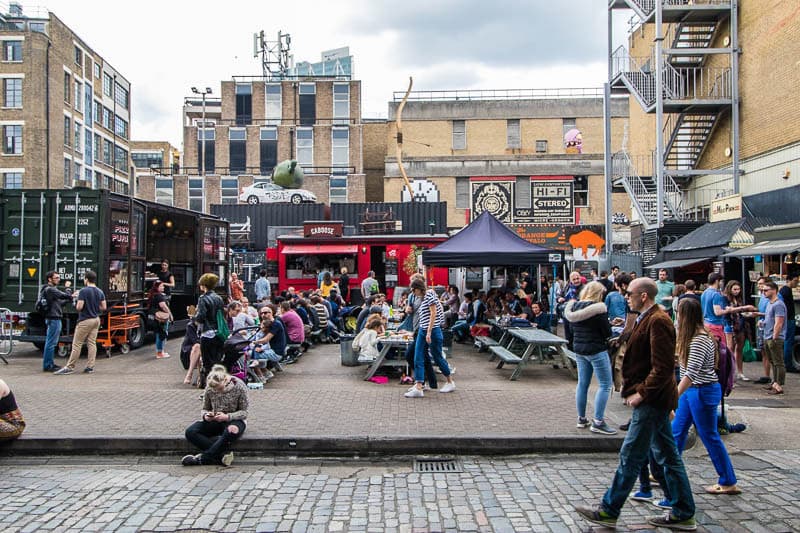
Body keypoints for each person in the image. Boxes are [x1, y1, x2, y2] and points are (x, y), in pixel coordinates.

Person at [574, 277, 696, 531]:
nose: (625, 296)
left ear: (643, 296)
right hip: (655, 399)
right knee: (668, 455)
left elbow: (662, 366)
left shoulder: (659, 321)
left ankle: (610, 509)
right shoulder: (646, 318)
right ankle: (683, 511)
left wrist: (641, 392)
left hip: (653, 400)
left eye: (629, 293)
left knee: (631, 454)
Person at [672, 298, 742, 496]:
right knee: (676, 431)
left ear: (684, 315)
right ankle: (665, 471)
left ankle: (728, 480)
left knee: (709, 436)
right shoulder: (693, 336)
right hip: (693, 390)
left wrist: (673, 396)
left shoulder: (700, 338)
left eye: (678, 313)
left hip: (701, 390)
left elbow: (690, 373)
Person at [564, 282, 616, 435]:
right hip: (596, 349)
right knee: (605, 384)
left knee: (582, 384)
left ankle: (581, 418)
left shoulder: (573, 308)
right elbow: (607, 332)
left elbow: (571, 330)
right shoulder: (599, 310)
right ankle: (598, 421)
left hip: (579, 349)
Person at [183, 364, 248, 467]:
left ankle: (203, 459)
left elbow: (244, 412)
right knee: (190, 432)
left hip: (234, 419)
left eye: (220, 388)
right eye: (215, 389)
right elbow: (205, 408)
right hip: (216, 419)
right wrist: (206, 416)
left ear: (226, 381)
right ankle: (221, 456)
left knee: (231, 430)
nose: (217, 391)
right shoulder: (210, 388)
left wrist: (227, 417)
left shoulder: (239, 387)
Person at [405, 278, 456, 398]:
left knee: (437, 357)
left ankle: (450, 381)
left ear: (418, 288)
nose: (413, 293)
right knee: (418, 357)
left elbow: (433, 313)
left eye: (414, 290)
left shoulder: (429, 295)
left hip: (431, 331)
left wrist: (428, 332)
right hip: (423, 330)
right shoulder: (423, 297)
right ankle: (419, 385)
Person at [55, 271, 106, 375]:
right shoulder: (100, 291)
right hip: (96, 319)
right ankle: (90, 367)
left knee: (77, 344)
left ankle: (69, 367)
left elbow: (79, 307)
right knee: (92, 343)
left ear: (86, 279)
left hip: (85, 320)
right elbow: (103, 307)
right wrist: (95, 308)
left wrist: (78, 300)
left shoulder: (83, 291)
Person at [195, 273, 226, 386]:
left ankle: (210, 387)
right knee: (217, 360)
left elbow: (201, 316)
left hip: (207, 333)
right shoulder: (218, 298)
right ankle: (220, 385)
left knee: (207, 363)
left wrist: (194, 317)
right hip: (218, 333)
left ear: (204, 285)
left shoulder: (203, 298)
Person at [40, 271, 73, 373]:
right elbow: (64, 295)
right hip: (54, 318)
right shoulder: (51, 289)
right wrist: (68, 289)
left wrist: (69, 298)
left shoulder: (48, 290)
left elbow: (59, 303)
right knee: (51, 343)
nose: (59, 279)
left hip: (52, 317)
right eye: (56, 278)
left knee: (50, 342)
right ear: (50, 279)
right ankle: (48, 365)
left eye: (59, 277)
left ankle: (49, 363)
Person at [763, 281, 788, 395]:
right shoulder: (770, 303)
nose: (763, 292)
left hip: (775, 337)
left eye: (766, 290)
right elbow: (769, 318)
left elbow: (779, 323)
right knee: (773, 361)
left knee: (778, 362)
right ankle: (774, 382)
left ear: (774, 290)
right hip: (767, 335)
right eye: (763, 290)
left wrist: (775, 337)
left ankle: (779, 385)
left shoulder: (779, 304)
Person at [722, 280, 749, 381]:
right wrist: (743, 308)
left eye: (738, 289)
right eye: (735, 289)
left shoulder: (739, 298)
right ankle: (730, 373)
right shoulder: (724, 298)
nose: (737, 291)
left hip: (740, 324)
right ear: (730, 289)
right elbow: (727, 310)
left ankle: (740, 372)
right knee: (730, 349)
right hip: (729, 324)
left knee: (740, 348)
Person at [147, 280, 173, 360]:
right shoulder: (159, 296)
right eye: (161, 286)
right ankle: (160, 352)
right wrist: (170, 314)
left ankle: (161, 351)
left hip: (154, 317)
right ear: (157, 287)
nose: (163, 287)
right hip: (161, 318)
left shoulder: (152, 295)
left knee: (159, 333)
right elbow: (163, 306)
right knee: (162, 334)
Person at [701, 273, 728, 346]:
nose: (722, 283)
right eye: (721, 281)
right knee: (721, 350)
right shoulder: (716, 294)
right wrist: (729, 310)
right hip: (716, 326)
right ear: (717, 281)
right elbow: (718, 312)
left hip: (706, 324)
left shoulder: (704, 293)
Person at [778, 274, 798, 372]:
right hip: (788, 319)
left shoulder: (785, 290)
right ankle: (788, 364)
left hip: (788, 318)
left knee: (787, 342)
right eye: (795, 280)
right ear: (789, 280)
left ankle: (787, 363)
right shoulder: (786, 290)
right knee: (788, 342)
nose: (796, 283)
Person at [181, 307, 202, 386]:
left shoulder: (206, 325)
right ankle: (189, 374)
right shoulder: (190, 326)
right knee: (198, 346)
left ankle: (201, 378)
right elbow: (195, 340)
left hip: (200, 350)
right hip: (188, 353)